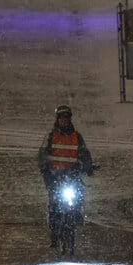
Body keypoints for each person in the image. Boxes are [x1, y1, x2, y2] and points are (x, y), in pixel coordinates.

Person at [37, 105, 93, 247]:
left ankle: (77, 214)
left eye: (66, 118)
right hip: (55, 176)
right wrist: (45, 169)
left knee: (79, 193)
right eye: (62, 118)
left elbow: (84, 154)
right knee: (54, 205)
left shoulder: (77, 137)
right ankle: (54, 234)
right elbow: (42, 155)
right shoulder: (50, 137)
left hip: (71, 176)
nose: (64, 121)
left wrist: (88, 166)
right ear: (58, 120)